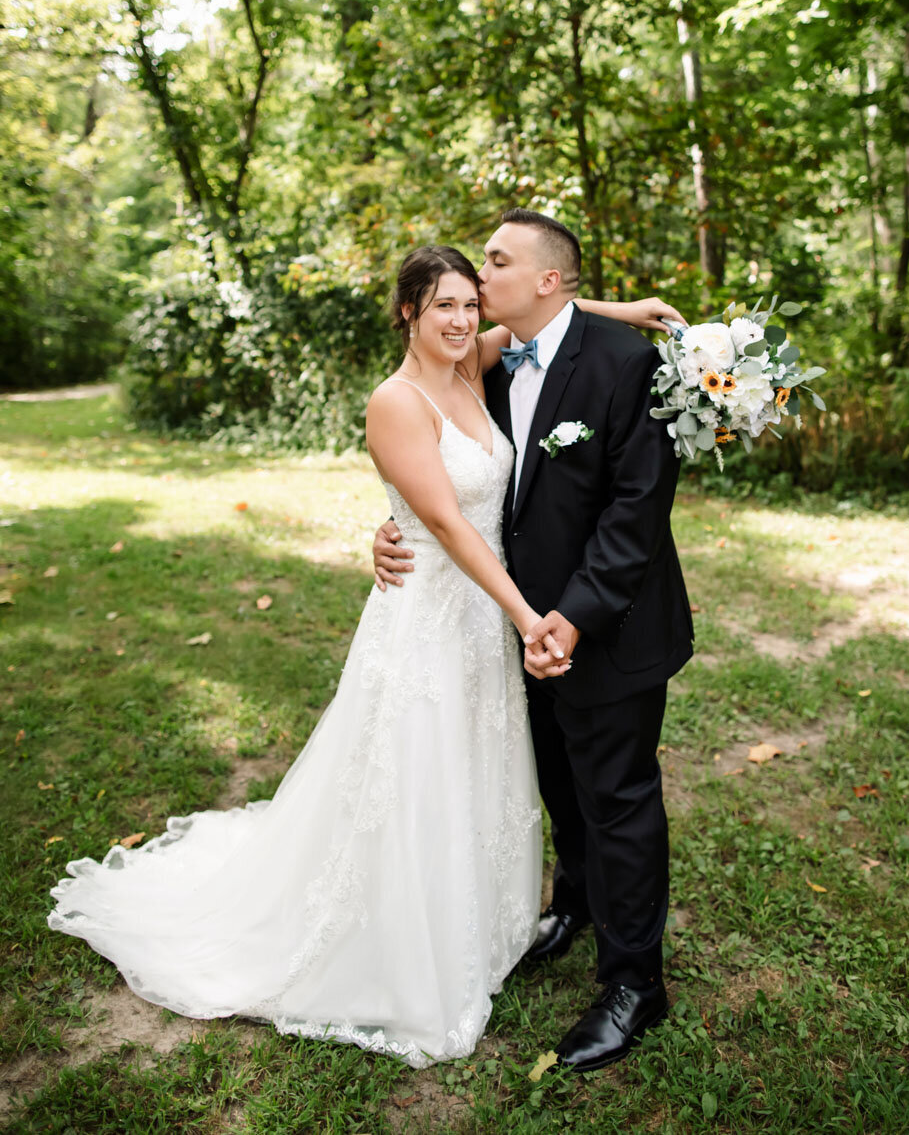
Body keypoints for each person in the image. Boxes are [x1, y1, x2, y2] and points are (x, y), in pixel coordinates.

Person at [47, 246, 545, 1068]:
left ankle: (479, 921)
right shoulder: (397, 400)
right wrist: (527, 616)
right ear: (407, 313)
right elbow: (451, 527)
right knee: (414, 771)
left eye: (468, 305)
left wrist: (627, 312)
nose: (461, 321)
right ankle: (401, 947)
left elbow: (548, 319)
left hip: (476, 616)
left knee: (472, 760)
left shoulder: (472, 365)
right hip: (429, 611)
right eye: (441, 307)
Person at [374, 209, 695, 1072]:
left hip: (606, 628)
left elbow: (634, 518)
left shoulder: (627, 370)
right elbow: (453, 489)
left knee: (619, 800)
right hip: (509, 630)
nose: (478, 284)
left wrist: (571, 618)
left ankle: (635, 987)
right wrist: (392, 527)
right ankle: (575, 904)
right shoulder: (487, 360)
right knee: (556, 780)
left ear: (549, 281)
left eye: (495, 264)